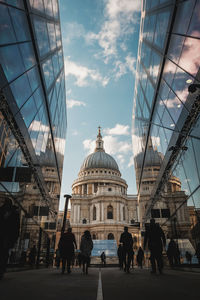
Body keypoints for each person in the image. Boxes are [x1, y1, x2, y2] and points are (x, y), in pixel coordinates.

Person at [0, 198, 20, 279]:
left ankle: (1, 270)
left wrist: (14, 238)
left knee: (4, 254)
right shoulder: (1, 211)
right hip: (4, 236)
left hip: (7, 237)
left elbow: (16, 227)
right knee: (3, 253)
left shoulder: (14, 213)